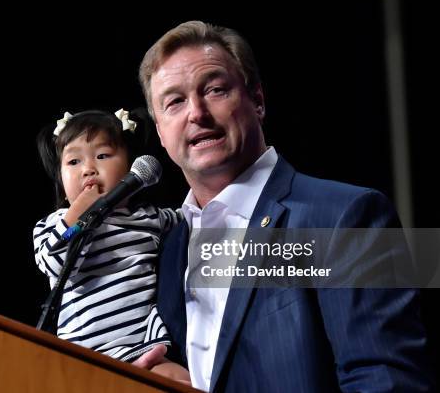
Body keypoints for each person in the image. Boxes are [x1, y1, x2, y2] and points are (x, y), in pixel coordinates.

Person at [132, 20, 434, 392]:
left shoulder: (348, 216)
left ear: (257, 100)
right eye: (175, 101)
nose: (196, 112)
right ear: (161, 131)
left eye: (214, 89)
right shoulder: (165, 247)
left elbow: (388, 383)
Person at [33, 108, 190, 383]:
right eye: (73, 162)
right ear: (60, 177)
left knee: (187, 382)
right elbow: (55, 264)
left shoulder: (149, 218)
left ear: (131, 166)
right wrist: (77, 214)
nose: (88, 169)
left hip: (142, 351)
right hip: (83, 360)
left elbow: (195, 219)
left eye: (102, 156)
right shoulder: (54, 224)